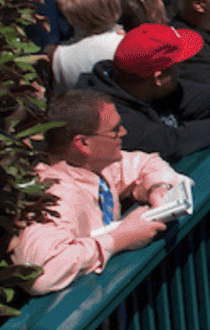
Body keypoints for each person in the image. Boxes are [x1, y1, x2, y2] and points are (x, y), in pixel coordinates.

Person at [9, 91, 180, 296]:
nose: (124, 132)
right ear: (83, 144)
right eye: (114, 130)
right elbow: (39, 276)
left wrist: (158, 189)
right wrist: (118, 239)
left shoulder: (95, 167)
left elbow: (147, 163)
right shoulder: (55, 197)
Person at [75, 23, 210, 162]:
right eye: (175, 66)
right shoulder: (106, 113)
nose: (179, 71)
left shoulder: (154, 86)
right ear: (158, 77)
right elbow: (172, 143)